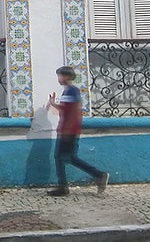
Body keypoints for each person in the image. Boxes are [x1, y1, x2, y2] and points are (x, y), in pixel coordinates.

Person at [46, 66, 110, 196]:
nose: (59, 78)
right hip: (67, 130)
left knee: (67, 157)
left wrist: (67, 131)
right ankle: (63, 186)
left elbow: (74, 112)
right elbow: (66, 109)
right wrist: (53, 104)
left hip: (69, 131)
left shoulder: (72, 91)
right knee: (63, 157)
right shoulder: (68, 91)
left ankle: (98, 175)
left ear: (67, 77)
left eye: (61, 76)